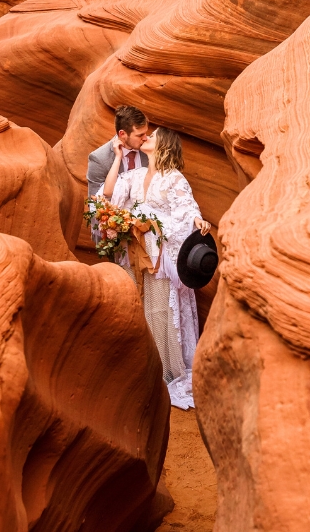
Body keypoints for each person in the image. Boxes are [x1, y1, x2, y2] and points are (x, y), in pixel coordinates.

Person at [101, 127, 211, 410]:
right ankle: (149, 366)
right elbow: (110, 195)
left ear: (165, 145)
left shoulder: (173, 177)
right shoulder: (136, 176)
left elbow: (186, 211)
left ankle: (169, 370)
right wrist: (117, 156)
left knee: (163, 309)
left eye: (154, 134)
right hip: (140, 253)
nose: (147, 136)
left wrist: (197, 222)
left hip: (162, 256)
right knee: (146, 307)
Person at [87, 105, 149, 197]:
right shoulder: (99, 158)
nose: (145, 138)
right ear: (122, 134)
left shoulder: (150, 150)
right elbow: (94, 203)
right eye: (140, 135)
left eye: (146, 133)